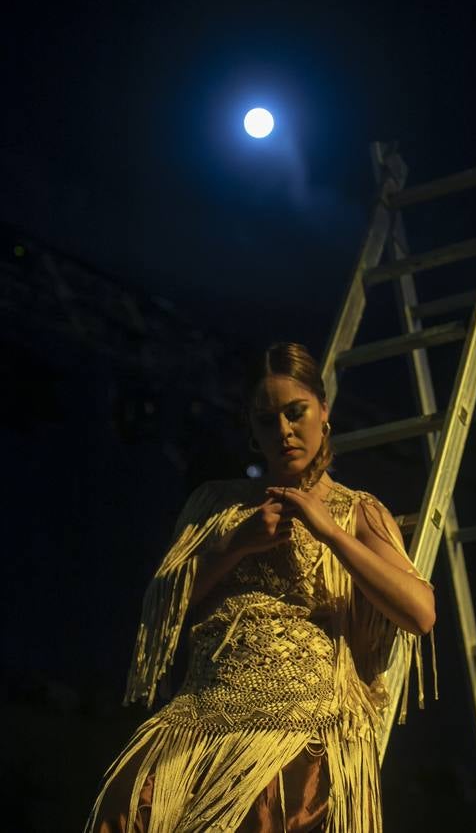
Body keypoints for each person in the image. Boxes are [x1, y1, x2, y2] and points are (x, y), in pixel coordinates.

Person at [84, 341, 437, 832]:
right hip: (201, 717)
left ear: (324, 411)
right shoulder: (217, 503)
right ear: (251, 428)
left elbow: (420, 613)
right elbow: (165, 609)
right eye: (267, 420)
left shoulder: (359, 510)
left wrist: (331, 533)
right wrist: (236, 544)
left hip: (303, 727)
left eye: (296, 413)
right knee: (125, 813)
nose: (285, 432)